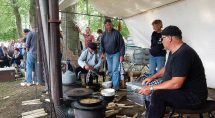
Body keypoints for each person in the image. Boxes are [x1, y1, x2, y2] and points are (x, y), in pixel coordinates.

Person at [139, 26, 208, 118]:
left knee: (157, 94)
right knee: (150, 84)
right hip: (182, 91)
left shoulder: (184, 54)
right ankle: (150, 113)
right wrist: (152, 77)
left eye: (162, 38)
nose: (161, 41)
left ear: (170, 38)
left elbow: (176, 84)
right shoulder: (174, 51)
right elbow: (166, 68)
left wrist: (151, 88)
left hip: (193, 97)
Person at [100, 19, 125, 90]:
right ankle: (115, 83)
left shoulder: (117, 33)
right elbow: (102, 45)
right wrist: (102, 53)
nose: (109, 26)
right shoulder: (104, 34)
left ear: (112, 25)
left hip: (116, 53)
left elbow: (122, 45)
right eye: (107, 25)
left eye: (110, 24)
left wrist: (121, 55)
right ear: (105, 25)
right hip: (108, 54)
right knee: (110, 70)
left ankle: (115, 87)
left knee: (115, 70)